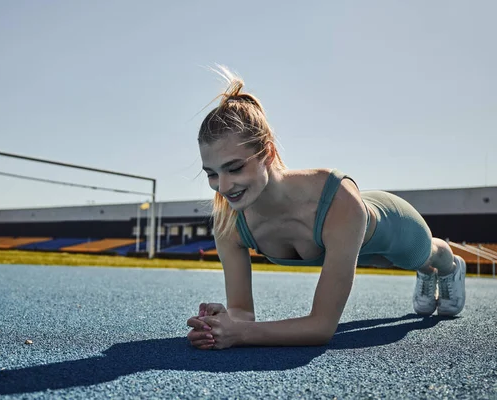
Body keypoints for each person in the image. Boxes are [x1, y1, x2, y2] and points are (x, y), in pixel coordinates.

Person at [186, 67, 466, 350]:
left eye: (234, 168)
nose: (222, 186)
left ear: (267, 154)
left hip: (391, 225)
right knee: (379, 262)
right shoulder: (227, 222)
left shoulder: (339, 201)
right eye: (211, 173)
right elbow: (243, 315)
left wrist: (242, 334)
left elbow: (321, 327)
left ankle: (449, 266)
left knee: (421, 256)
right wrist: (223, 322)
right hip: (347, 240)